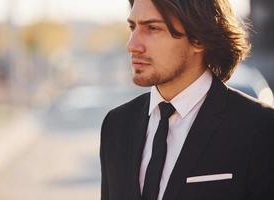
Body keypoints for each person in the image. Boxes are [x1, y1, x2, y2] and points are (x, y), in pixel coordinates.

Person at [100, 0, 274, 199]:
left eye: (153, 28)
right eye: (133, 27)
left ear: (198, 38)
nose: (132, 45)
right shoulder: (116, 126)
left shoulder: (261, 128)